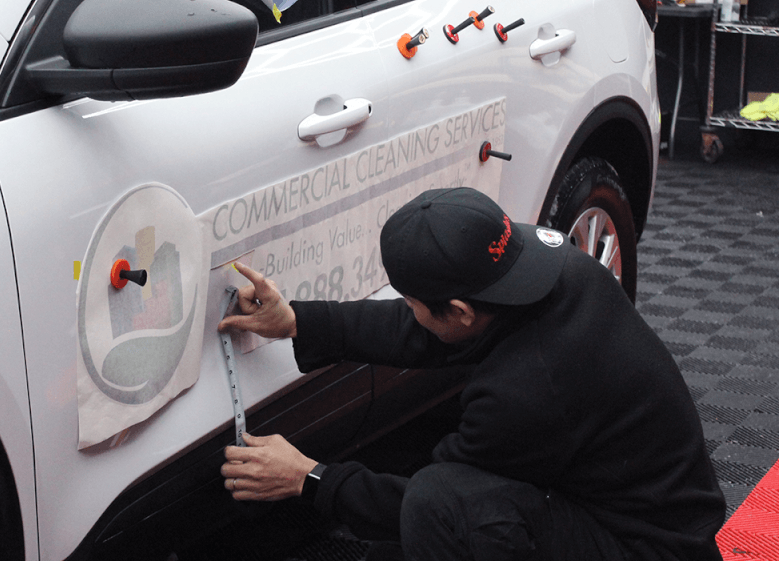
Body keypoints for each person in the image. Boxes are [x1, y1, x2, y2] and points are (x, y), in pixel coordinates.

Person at [218, 188, 725, 561]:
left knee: (437, 503)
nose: (407, 309)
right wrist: (300, 321)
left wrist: (307, 478)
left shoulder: (524, 393)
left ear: (459, 310)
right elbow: (426, 330)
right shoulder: (558, 271)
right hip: (648, 510)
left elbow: (421, 504)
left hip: (647, 549)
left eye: (411, 301)